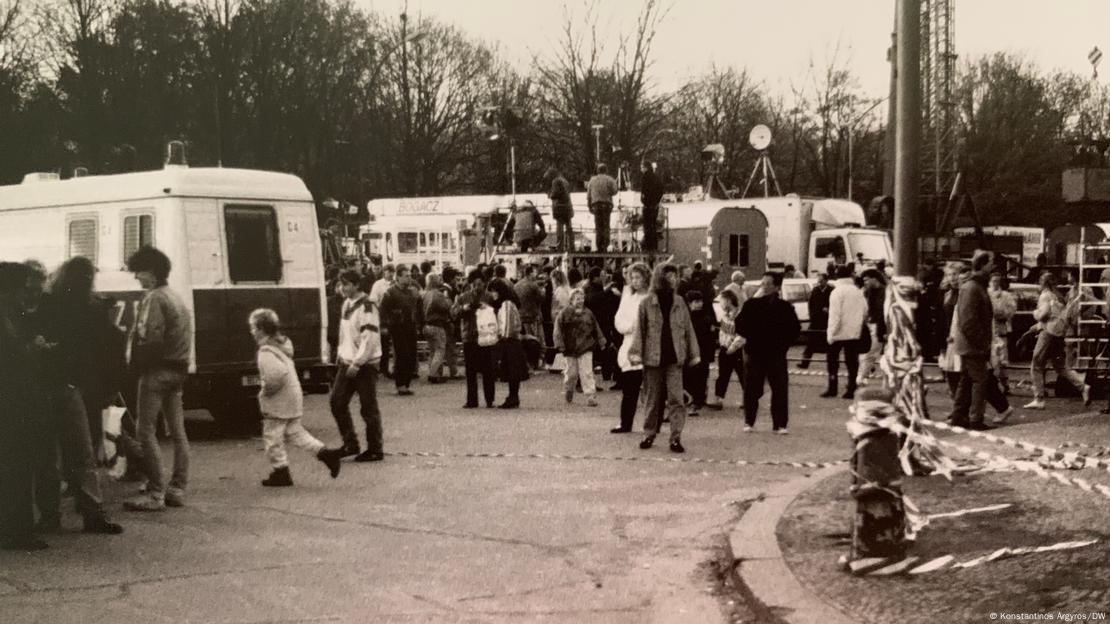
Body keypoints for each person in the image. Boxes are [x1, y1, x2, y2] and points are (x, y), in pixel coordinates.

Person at [29, 257, 124, 534]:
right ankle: (92, 512)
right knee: (83, 453)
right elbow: (111, 346)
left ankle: (50, 515)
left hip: (48, 384)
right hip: (79, 388)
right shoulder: (93, 309)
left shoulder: (46, 305)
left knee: (47, 455)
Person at [123, 246, 193, 512]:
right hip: (178, 370)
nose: (136, 278)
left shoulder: (153, 298)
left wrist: (136, 368)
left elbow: (151, 338)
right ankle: (177, 488)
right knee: (178, 432)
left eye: (139, 272)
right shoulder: (175, 297)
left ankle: (155, 492)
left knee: (145, 431)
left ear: (151, 273)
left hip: (157, 372)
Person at [250, 309, 344, 486]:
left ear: (261, 329)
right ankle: (326, 454)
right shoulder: (281, 345)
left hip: (278, 401)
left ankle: (281, 471)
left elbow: (274, 376)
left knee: (272, 437)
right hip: (293, 396)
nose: (252, 332)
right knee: (295, 432)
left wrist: (265, 392)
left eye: (253, 328)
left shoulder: (265, 352)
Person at [0, 262, 49, 550]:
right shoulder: (8, 314)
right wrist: (36, 347)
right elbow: (13, 356)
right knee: (18, 466)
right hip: (14, 401)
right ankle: (17, 530)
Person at [628, 263, 700, 453]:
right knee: (652, 399)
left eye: (675, 276)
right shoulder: (646, 303)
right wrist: (635, 353)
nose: (674, 279)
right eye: (670, 276)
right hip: (652, 359)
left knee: (677, 399)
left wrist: (694, 354)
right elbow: (640, 331)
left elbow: (688, 329)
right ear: (660, 278)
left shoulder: (680, 302)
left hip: (674, 359)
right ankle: (649, 433)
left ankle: (675, 438)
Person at [329, 269, 384, 462]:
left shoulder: (367, 307)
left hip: (364, 365)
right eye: (340, 284)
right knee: (337, 402)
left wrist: (358, 362)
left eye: (345, 284)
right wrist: (340, 353)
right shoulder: (347, 304)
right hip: (347, 361)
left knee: (368, 408)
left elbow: (369, 338)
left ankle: (375, 449)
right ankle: (350, 443)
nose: (341, 288)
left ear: (356, 285)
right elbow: (344, 333)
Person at [737, 272, 801, 433]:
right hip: (755, 352)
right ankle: (749, 421)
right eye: (763, 283)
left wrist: (783, 345)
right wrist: (752, 336)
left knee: (779, 389)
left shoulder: (785, 307)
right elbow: (740, 325)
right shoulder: (751, 305)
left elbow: (794, 330)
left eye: (768, 284)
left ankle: (780, 424)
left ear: (777, 287)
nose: (764, 286)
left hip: (776, 354)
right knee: (752, 388)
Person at [1025, 273, 1089, 410]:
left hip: (1047, 333)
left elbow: (1043, 314)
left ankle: (1039, 398)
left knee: (1036, 363)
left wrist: (1034, 313)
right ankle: (1082, 386)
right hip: (1058, 333)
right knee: (1060, 366)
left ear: (1043, 283)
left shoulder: (1045, 295)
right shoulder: (1057, 296)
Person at [946, 251, 995, 430]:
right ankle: (975, 419)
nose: (993, 266)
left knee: (966, 380)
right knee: (980, 380)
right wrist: (982, 342)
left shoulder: (972, 287)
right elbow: (968, 321)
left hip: (969, 343)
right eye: (991, 263)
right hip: (973, 344)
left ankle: (959, 416)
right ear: (982, 265)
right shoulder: (973, 288)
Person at [613, 263, 651, 433]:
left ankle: (652, 424)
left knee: (651, 390)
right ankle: (625, 422)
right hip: (630, 344)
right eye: (632, 277)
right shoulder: (628, 297)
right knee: (630, 388)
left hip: (649, 346)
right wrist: (628, 327)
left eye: (638, 277)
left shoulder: (651, 297)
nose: (635, 281)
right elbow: (619, 319)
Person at [554, 288, 607, 407]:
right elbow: (558, 329)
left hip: (586, 346)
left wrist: (601, 340)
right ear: (571, 300)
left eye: (582, 298)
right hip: (570, 348)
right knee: (571, 373)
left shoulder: (588, 313)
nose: (581, 301)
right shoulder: (564, 313)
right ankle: (569, 389)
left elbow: (595, 327)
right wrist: (559, 344)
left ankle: (590, 395)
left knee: (587, 372)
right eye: (578, 299)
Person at [453, 270, 497, 408]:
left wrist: (488, 309)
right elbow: (453, 314)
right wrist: (463, 308)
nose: (477, 287)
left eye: (480, 284)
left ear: (484, 283)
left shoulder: (489, 297)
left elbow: (496, 312)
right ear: (470, 284)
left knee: (488, 370)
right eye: (475, 284)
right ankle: (472, 400)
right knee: (471, 371)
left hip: (485, 337)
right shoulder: (462, 298)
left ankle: (489, 399)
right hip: (470, 337)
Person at [824, 264, 867, 399]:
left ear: (837, 276)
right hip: (854, 331)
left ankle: (832, 388)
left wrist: (831, 333)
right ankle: (851, 388)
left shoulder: (837, 292)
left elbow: (835, 315)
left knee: (832, 361)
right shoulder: (857, 291)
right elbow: (865, 310)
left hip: (838, 332)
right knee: (852, 362)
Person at [380, 265, 421, 396]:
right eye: (406, 276)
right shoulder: (390, 292)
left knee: (412, 355)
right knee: (403, 354)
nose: (409, 278)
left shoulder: (412, 291)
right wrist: (384, 326)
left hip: (411, 326)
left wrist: (419, 323)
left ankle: (406, 383)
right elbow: (382, 310)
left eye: (410, 276)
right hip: (397, 327)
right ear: (398, 277)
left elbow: (417, 307)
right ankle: (401, 384)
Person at [487, 278, 527, 409]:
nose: (493, 295)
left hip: (509, 341)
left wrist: (502, 338)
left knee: (512, 371)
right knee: (513, 371)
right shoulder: (509, 303)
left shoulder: (506, 304)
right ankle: (513, 396)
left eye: (494, 292)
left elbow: (507, 325)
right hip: (512, 341)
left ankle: (513, 397)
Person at [683, 290, 716, 415]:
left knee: (700, 378)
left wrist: (710, 355)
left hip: (702, 352)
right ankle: (691, 401)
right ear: (689, 303)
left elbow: (710, 339)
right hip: (688, 352)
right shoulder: (686, 318)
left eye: (700, 301)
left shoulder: (707, 318)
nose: (699, 304)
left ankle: (697, 403)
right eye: (696, 302)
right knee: (688, 378)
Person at [856, 269, 887, 386]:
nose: (865, 283)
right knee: (868, 352)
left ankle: (862, 376)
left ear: (875, 279)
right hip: (870, 324)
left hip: (879, 325)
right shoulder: (867, 292)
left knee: (870, 352)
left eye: (867, 280)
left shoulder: (885, 292)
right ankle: (863, 375)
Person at [988, 272, 1017, 395]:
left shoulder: (1005, 295)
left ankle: (1005, 385)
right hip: (989, 330)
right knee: (992, 359)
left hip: (1001, 329)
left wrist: (1002, 313)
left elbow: (1011, 310)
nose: (995, 283)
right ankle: (993, 385)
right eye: (993, 281)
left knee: (1003, 359)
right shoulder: (986, 293)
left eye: (997, 281)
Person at [422, 272, 453, 384]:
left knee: (432, 351)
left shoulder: (424, 294)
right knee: (440, 350)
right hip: (437, 325)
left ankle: (434, 372)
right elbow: (447, 307)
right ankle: (433, 374)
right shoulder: (438, 294)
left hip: (426, 325)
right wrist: (449, 300)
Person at [514, 264, 545, 369]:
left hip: (520, 316)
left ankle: (527, 363)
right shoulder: (533, 285)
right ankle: (535, 363)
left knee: (524, 342)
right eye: (534, 272)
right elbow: (541, 298)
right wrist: (543, 290)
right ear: (530, 273)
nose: (536, 274)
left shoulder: (516, 285)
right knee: (535, 341)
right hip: (532, 316)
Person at [799, 272, 833, 369]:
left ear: (826, 281)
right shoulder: (815, 290)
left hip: (827, 321)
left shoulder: (831, 291)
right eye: (819, 281)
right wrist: (812, 315)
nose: (820, 283)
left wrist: (829, 310)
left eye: (822, 281)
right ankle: (804, 363)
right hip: (816, 321)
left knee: (830, 344)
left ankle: (831, 363)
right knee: (810, 343)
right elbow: (811, 304)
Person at [368, 264, 395, 378]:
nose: (391, 274)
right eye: (389, 272)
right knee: (383, 343)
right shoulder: (378, 284)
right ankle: (382, 368)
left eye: (392, 272)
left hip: (394, 318)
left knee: (392, 344)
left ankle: (391, 368)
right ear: (384, 272)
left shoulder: (395, 284)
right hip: (382, 318)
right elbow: (373, 300)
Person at [586, 163, 619, 253]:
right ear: (606, 170)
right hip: (606, 205)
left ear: (597, 170)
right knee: (606, 226)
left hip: (596, 206)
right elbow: (615, 191)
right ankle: (605, 245)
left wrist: (589, 206)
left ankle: (599, 246)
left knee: (598, 227)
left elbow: (588, 195)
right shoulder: (609, 179)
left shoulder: (592, 180)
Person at [547, 167, 574, 252]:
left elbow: (555, 193)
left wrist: (550, 195)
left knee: (559, 229)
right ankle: (571, 246)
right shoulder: (565, 181)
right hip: (568, 208)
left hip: (560, 208)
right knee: (569, 228)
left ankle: (560, 247)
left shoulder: (555, 181)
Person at [640, 161, 664, 252]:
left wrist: (644, 200)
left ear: (646, 167)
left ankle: (648, 246)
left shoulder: (645, 177)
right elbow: (661, 189)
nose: (641, 169)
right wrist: (657, 201)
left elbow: (644, 191)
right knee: (653, 227)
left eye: (642, 167)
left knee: (647, 227)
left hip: (647, 206)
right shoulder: (656, 177)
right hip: (654, 206)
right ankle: (654, 246)